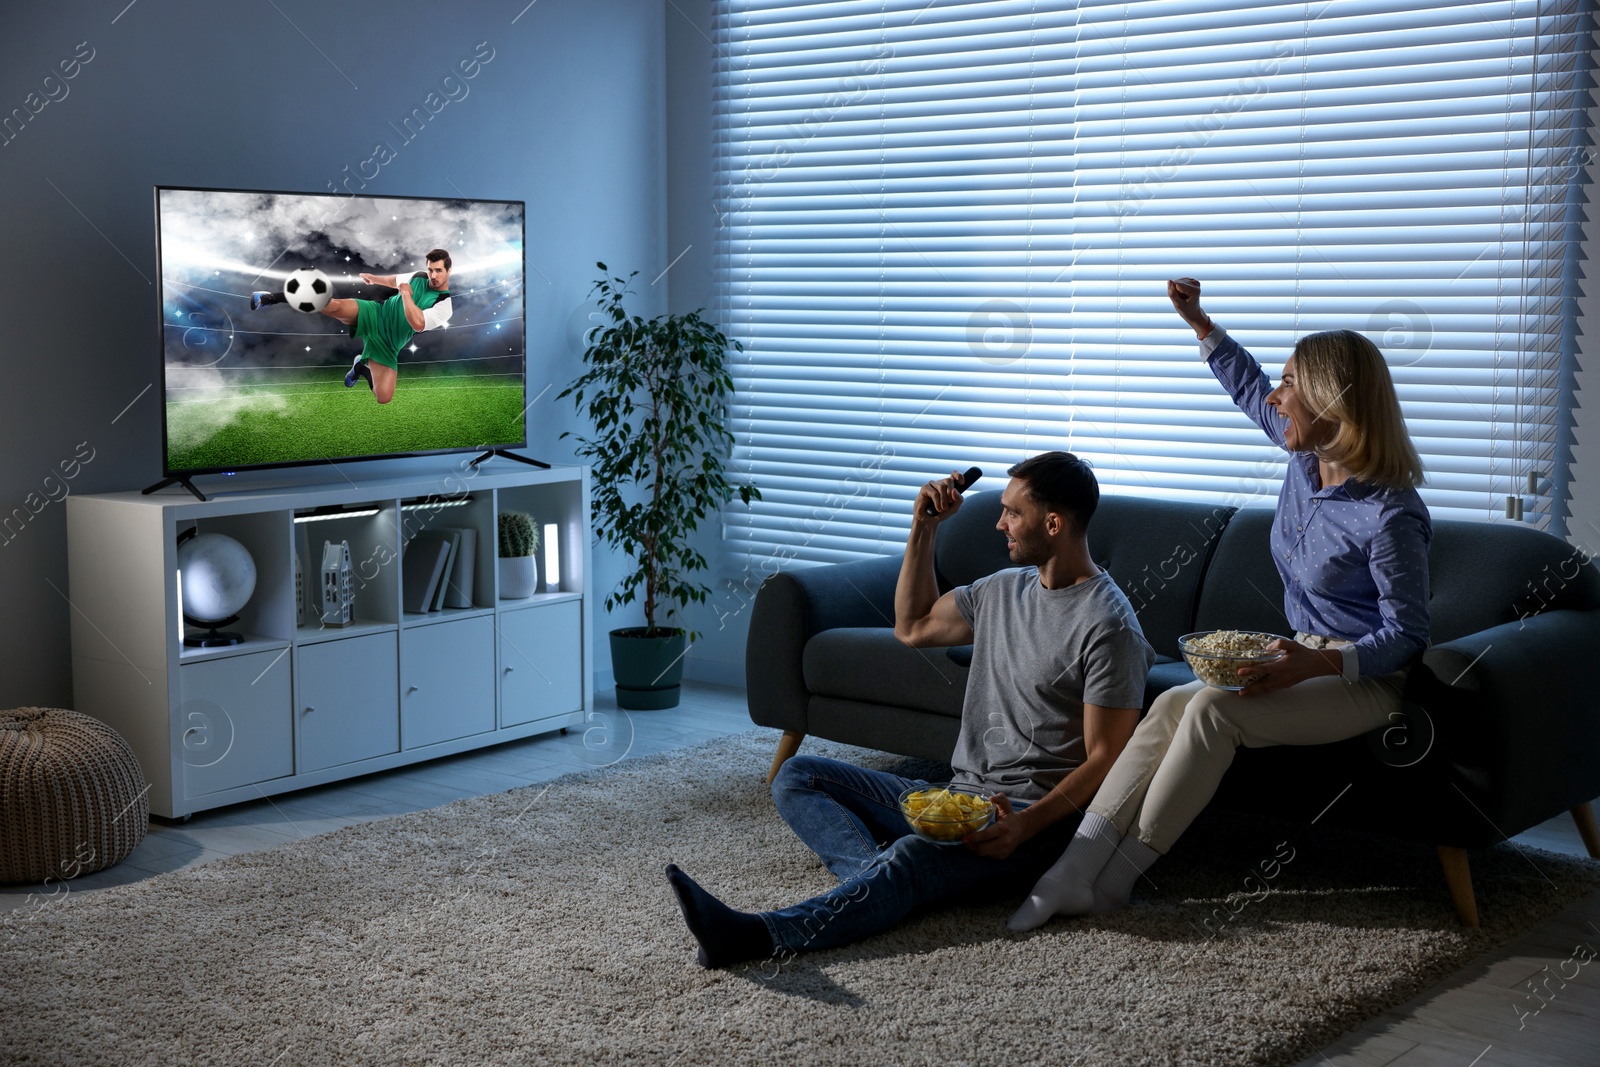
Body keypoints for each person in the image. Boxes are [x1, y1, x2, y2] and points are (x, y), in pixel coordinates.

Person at [1007, 279, 1432, 931]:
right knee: (1172, 700)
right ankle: (1073, 868)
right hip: (1302, 656)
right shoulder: (1306, 462)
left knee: (1207, 709)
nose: (1275, 396)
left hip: (1365, 680)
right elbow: (1246, 385)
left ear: (1330, 400)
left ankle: (1115, 881)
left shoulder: (1390, 513)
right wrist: (1199, 321)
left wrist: (1316, 665)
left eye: (1290, 384)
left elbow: (1406, 634)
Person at [664, 451, 1155, 968]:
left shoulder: (1109, 626)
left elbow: (1106, 761)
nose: (998, 522)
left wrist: (1025, 826)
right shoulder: (1002, 591)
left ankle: (753, 936)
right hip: (958, 801)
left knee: (910, 858)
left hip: (1027, 827)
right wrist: (923, 529)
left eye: (1012, 512)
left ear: (1052, 524)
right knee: (797, 775)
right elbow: (913, 625)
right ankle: (886, 882)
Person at [250, 248, 454, 405]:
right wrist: (374, 279)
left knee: (384, 398)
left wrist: (407, 295)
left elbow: (417, 323)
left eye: (438, 271)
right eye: (430, 269)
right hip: (376, 313)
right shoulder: (419, 276)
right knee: (331, 305)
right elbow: (395, 280)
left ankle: (360, 367)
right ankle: (269, 297)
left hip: (389, 344)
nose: (433, 275)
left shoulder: (444, 305)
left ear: (448, 271)